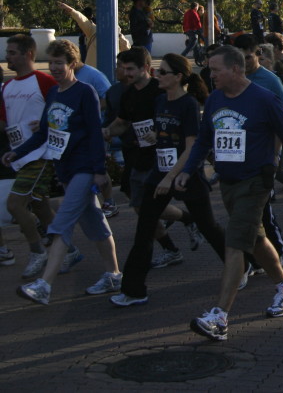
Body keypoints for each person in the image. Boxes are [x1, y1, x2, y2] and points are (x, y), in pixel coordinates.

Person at [175, 45, 283, 341]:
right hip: (228, 181)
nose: (210, 76)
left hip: (256, 181)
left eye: (216, 70)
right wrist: (189, 169)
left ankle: (220, 317)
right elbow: (203, 139)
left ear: (235, 69)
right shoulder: (214, 99)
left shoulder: (265, 99)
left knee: (235, 241)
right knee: (256, 238)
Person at [4, 40, 121, 305]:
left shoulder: (84, 92)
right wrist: (18, 152)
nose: (54, 68)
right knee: (94, 222)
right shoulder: (55, 94)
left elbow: (94, 133)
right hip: (65, 168)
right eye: (51, 63)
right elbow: (45, 133)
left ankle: (44, 285)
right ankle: (114, 274)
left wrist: (100, 171)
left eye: (59, 63)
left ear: (72, 64)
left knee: (62, 224)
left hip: (83, 168)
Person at [110, 54, 229, 306]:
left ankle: (242, 264)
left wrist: (172, 177)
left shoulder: (188, 105)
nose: (158, 76)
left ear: (177, 77)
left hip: (186, 174)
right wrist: (156, 135)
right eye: (158, 71)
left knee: (208, 226)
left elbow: (191, 147)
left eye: (163, 72)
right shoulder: (161, 100)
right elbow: (164, 130)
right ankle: (133, 290)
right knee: (144, 230)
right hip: (160, 172)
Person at [102, 47, 195, 269]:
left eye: (131, 69)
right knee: (139, 206)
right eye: (123, 68)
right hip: (137, 155)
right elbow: (122, 122)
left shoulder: (159, 90)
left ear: (146, 67)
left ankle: (166, 249)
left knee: (147, 210)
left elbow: (178, 120)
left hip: (160, 157)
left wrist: (158, 132)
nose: (126, 73)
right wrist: (106, 131)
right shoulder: (128, 93)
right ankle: (185, 223)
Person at [1, 34, 58, 278]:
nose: (7, 57)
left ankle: (38, 251)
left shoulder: (45, 82)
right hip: (19, 155)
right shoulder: (7, 86)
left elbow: (61, 113)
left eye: (13, 52)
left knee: (15, 205)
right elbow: (4, 123)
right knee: (41, 206)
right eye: (7, 52)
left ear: (29, 54)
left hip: (41, 154)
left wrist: (48, 124)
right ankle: (68, 249)